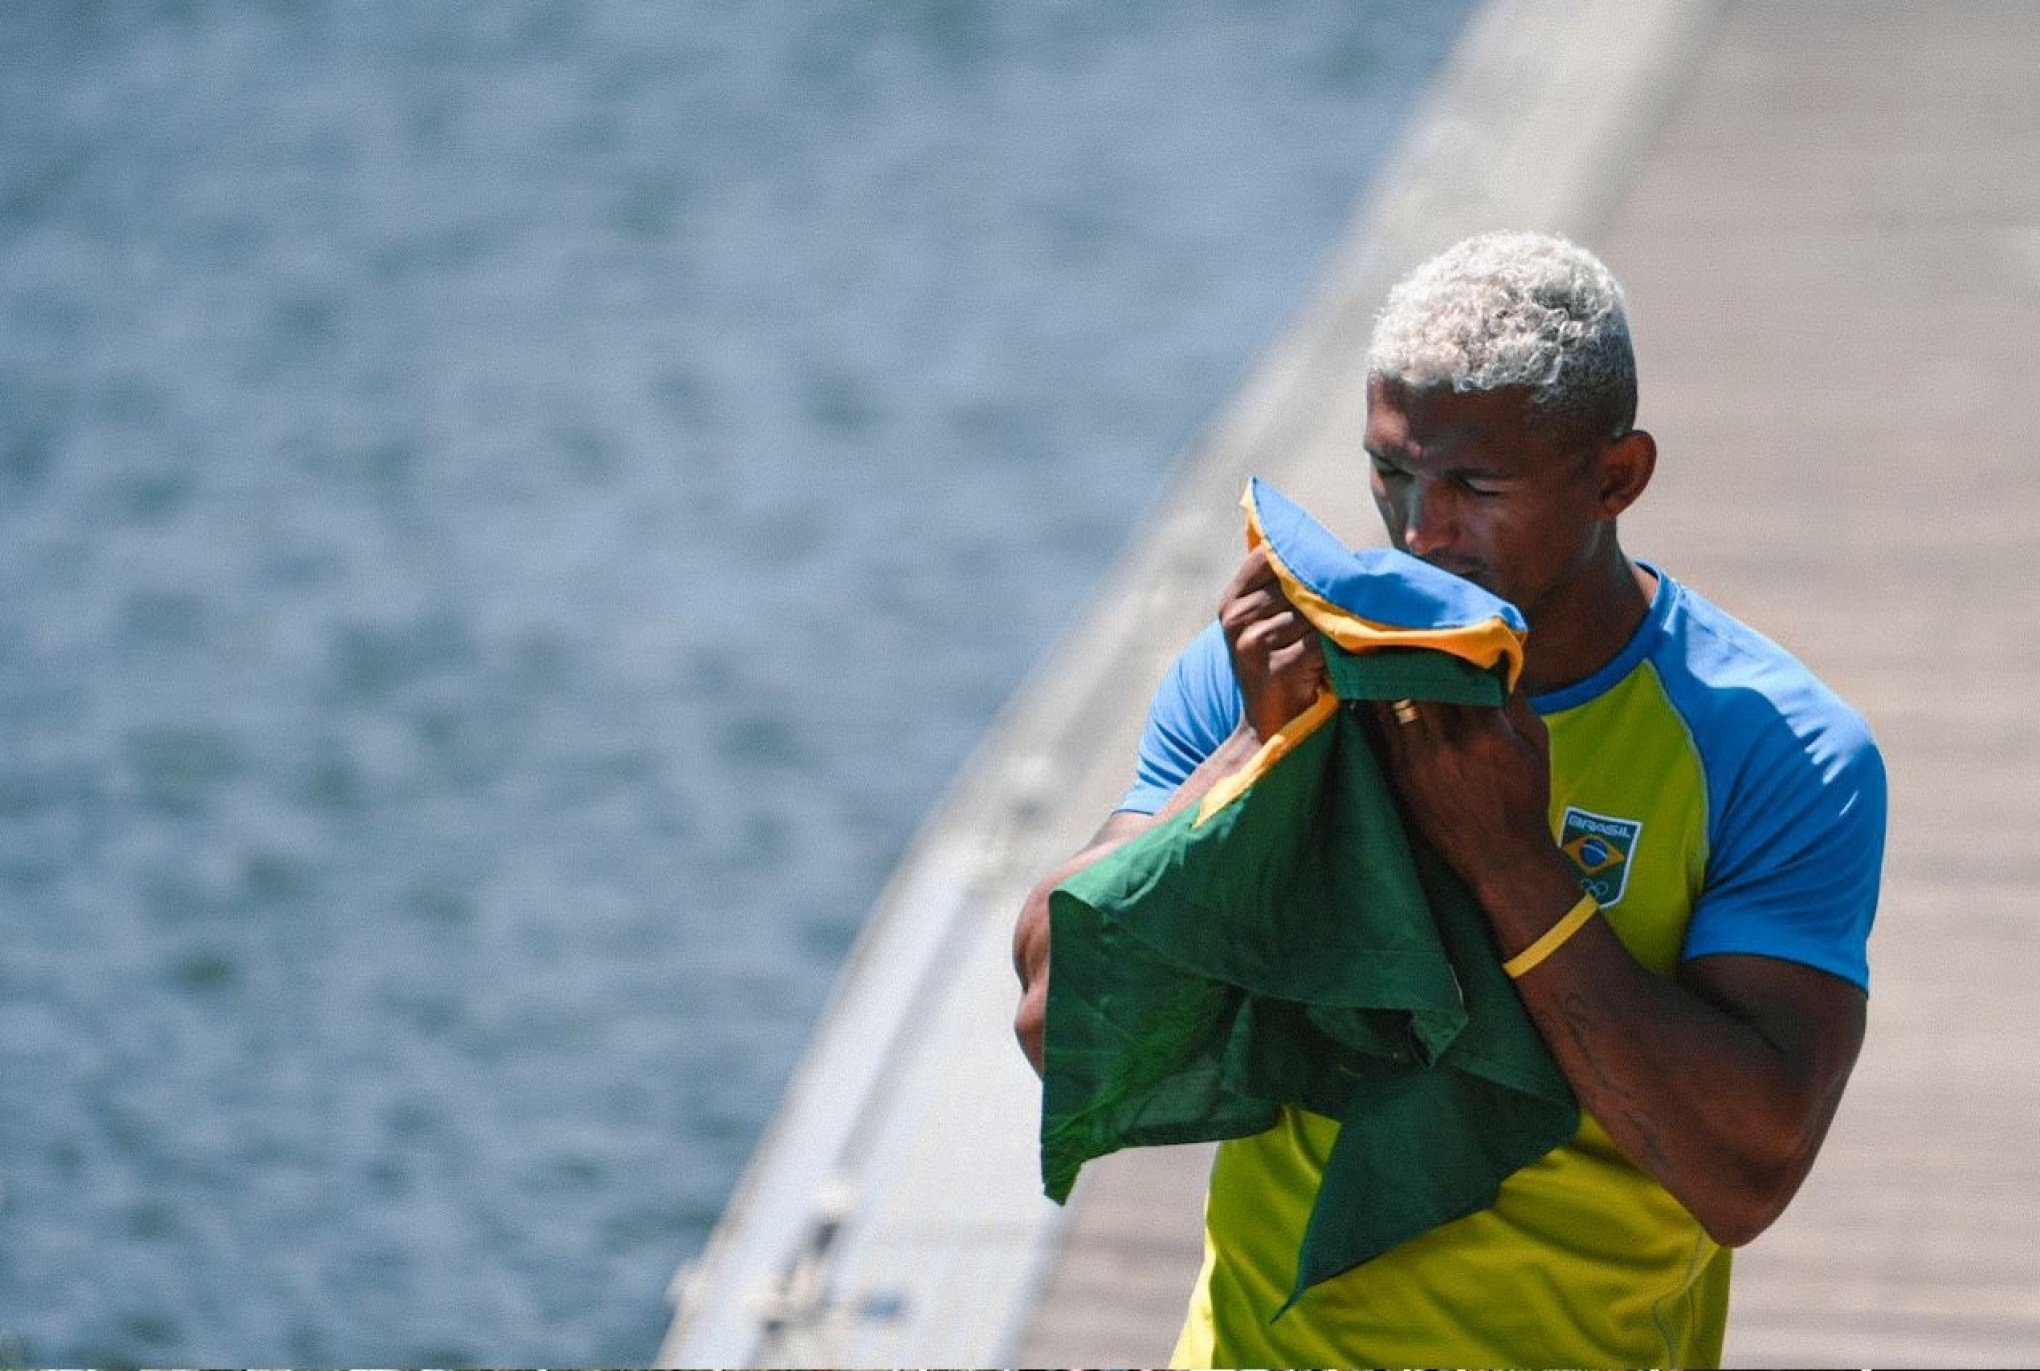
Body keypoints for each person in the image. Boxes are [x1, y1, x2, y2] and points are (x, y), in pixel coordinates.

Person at [1010, 230, 1886, 1368]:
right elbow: (1054, 1014)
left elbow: (1747, 1175)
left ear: (1615, 478)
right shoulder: (1274, 674)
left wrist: (1516, 867)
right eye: (1392, 473)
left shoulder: (1774, 750)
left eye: (1475, 486)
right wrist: (1247, 760)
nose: (1419, 533)